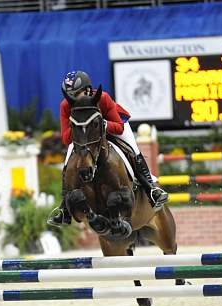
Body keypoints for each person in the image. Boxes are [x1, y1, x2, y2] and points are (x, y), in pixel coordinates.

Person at [48, 70, 168, 227]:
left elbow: (118, 127)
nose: (73, 99)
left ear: (88, 90)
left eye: (76, 94)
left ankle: (151, 190)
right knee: (68, 161)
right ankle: (64, 207)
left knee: (133, 149)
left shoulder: (102, 98)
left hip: (113, 125)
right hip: (86, 134)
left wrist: (103, 124)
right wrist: (79, 124)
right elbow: (65, 138)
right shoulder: (66, 106)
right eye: (70, 95)